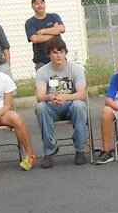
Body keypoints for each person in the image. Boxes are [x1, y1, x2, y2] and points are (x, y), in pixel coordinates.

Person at [33, 36, 90, 168]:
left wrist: (65, 98)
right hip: (53, 107)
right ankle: (50, 150)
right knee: (40, 107)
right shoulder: (42, 72)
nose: (58, 55)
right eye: (54, 52)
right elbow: (39, 96)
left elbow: (82, 94)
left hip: (71, 106)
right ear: (49, 54)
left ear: (65, 53)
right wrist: (51, 97)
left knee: (79, 105)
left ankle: (80, 150)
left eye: (61, 51)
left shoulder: (76, 69)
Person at [24, 0, 65, 70]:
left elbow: (62, 29)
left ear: (45, 4)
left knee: (62, 81)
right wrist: (54, 32)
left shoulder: (54, 16)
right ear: (32, 6)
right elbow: (35, 39)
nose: (40, 5)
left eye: (42, 3)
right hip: (42, 62)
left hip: (59, 60)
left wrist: (43, 31)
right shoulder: (30, 22)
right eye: (36, 3)